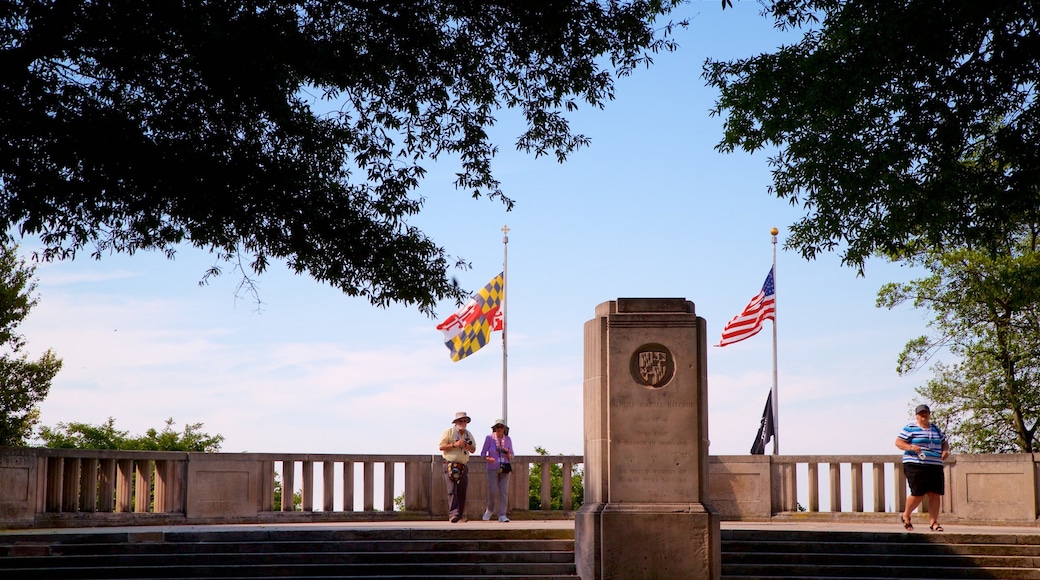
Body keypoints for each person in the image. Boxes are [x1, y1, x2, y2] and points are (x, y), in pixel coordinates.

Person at [895, 404, 950, 532]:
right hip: (915, 463)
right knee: (918, 492)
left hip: (935, 464)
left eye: (926, 413)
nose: (923, 415)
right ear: (917, 416)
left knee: (934, 493)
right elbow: (898, 442)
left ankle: (934, 522)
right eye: (921, 414)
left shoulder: (935, 429)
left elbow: (944, 442)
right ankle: (906, 515)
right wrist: (911, 447)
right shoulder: (910, 428)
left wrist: (945, 450)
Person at [438, 411, 476, 523]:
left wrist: (467, 446)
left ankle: (460, 515)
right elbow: (441, 447)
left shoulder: (468, 434)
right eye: (460, 421)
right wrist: (455, 444)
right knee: (452, 490)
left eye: (465, 421)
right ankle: (453, 514)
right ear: (456, 422)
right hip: (450, 464)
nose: (463, 423)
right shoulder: (449, 432)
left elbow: (473, 449)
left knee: (462, 491)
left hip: (463, 465)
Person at [480, 418, 514, 522]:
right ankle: (490, 510)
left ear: (504, 429)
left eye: (501, 427)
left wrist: (507, 453)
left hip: (504, 467)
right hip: (492, 467)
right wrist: (488, 458)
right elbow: (482, 454)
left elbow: (512, 455)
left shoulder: (508, 439)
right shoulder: (489, 438)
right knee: (493, 490)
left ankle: (502, 514)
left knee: (504, 491)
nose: (499, 429)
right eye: (497, 427)